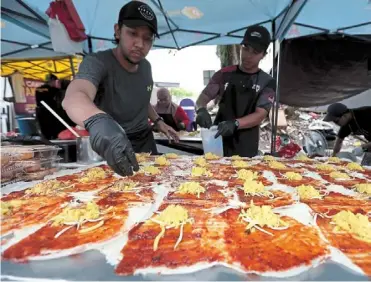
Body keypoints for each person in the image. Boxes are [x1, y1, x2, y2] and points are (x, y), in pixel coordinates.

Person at [62, 1, 178, 176]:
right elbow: (75, 95)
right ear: (117, 31)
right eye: (133, 33)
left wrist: (158, 121)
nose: (140, 43)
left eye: (147, 38)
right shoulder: (97, 62)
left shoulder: (146, 67)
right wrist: (97, 121)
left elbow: (142, 98)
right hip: (112, 146)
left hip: (146, 143)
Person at [195, 25, 275, 157]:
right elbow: (204, 97)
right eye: (246, 48)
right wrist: (201, 109)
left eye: (255, 52)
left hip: (246, 145)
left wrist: (235, 123)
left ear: (263, 55)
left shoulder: (267, 82)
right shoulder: (224, 74)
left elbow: (260, 114)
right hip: (218, 141)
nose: (248, 55)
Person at [35, 74, 66, 139]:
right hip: (50, 113)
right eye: (55, 81)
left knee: (45, 131)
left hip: (41, 112)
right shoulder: (53, 90)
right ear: (52, 80)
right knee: (54, 131)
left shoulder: (38, 89)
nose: (55, 83)